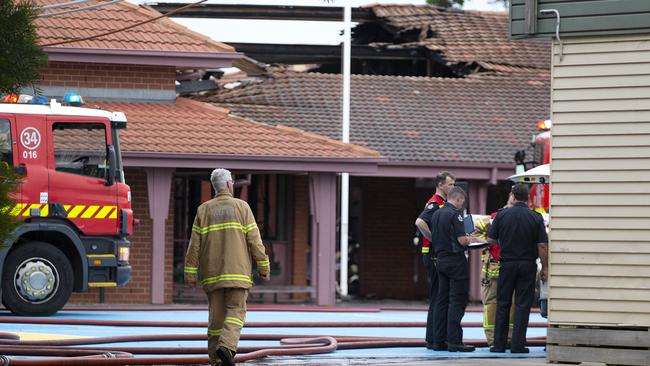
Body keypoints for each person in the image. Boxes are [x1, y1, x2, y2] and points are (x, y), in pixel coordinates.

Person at [185, 169, 270, 366]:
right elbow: (255, 241)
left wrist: (190, 274)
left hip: (212, 276)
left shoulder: (203, 210)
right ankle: (226, 346)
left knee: (216, 320)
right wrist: (263, 266)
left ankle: (216, 359)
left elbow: (194, 246)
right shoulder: (242, 207)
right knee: (236, 311)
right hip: (237, 274)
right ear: (230, 185)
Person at [487, 184, 548, 354]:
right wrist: (545, 267)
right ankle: (518, 345)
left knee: (503, 303)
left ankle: (498, 345)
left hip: (507, 264)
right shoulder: (535, 217)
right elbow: (542, 245)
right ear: (528, 198)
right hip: (527, 265)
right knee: (522, 305)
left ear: (513, 196)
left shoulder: (502, 215)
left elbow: (491, 239)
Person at [430, 187, 481, 352]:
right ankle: (455, 341)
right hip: (455, 261)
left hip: (440, 260)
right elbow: (461, 240)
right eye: (462, 202)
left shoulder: (437, 213)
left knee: (441, 300)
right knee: (457, 301)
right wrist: (475, 238)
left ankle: (438, 341)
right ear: (458, 199)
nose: (462, 205)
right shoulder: (456, 214)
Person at [414, 171, 455, 349]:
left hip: (433, 255)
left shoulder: (442, 203)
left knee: (437, 297)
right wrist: (435, 239)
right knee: (439, 297)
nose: (453, 187)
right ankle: (436, 339)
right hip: (433, 255)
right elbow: (420, 222)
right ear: (440, 185)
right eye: (450, 184)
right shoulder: (435, 204)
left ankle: (432, 338)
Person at [480, 193, 515, 346]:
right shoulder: (528, 217)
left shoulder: (496, 217)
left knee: (496, 304)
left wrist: (487, 242)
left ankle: (497, 339)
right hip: (507, 267)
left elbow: (475, 229)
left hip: (497, 267)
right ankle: (503, 339)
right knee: (508, 304)